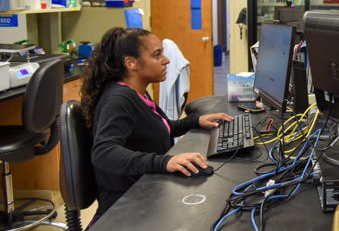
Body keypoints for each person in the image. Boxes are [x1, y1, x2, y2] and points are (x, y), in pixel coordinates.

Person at [81, 27, 233, 219]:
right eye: (157, 55)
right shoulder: (118, 99)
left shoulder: (137, 93)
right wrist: (165, 162)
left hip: (149, 190)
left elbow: (157, 129)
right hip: (127, 207)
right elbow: (104, 152)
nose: (166, 60)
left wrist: (195, 121)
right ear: (131, 63)